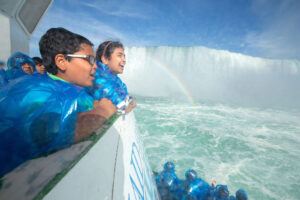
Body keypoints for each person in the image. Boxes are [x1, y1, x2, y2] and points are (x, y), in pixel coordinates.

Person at [0, 27, 116, 177]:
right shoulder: (38, 91)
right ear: (61, 61)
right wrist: (103, 111)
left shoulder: (66, 88)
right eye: (90, 60)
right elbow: (48, 131)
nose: (95, 66)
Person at [87, 41, 136, 114]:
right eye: (119, 55)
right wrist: (130, 103)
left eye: (124, 56)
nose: (124, 60)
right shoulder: (98, 77)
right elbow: (122, 106)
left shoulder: (114, 78)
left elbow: (126, 98)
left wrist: (130, 102)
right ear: (105, 59)